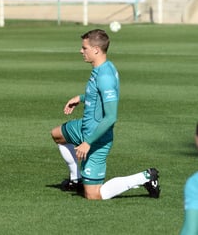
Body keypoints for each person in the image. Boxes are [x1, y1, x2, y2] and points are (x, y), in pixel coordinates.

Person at [50, 29, 160, 200]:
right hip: (84, 127)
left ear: (95, 49)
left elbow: (111, 117)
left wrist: (88, 143)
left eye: (84, 48)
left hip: (97, 137)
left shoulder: (106, 76)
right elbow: (97, 97)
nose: (81, 51)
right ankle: (75, 180)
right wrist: (80, 98)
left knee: (94, 195)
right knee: (57, 134)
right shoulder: (102, 68)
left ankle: (146, 177)